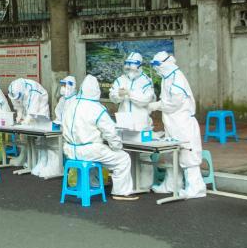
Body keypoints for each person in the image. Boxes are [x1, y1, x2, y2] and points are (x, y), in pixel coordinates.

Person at [62, 75, 138, 201]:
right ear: (96, 91)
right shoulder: (96, 108)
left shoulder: (70, 105)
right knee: (123, 158)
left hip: (69, 150)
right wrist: (117, 147)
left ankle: (94, 183)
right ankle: (121, 192)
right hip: (89, 151)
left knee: (96, 157)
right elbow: (110, 132)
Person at [147, 51, 206, 199]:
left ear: (166, 64)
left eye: (158, 65)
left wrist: (156, 105)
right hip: (172, 124)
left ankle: (196, 189)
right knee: (171, 154)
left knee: (188, 156)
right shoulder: (167, 78)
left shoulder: (177, 78)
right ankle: (171, 185)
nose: (156, 69)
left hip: (183, 124)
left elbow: (174, 103)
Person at [109, 52, 157, 189]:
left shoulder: (146, 81)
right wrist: (118, 94)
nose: (130, 70)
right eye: (128, 67)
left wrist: (130, 94)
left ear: (140, 66)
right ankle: (128, 185)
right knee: (125, 154)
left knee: (144, 155)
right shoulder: (120, 80)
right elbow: (112, 96)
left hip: (141, 122)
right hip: (124, 122)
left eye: (133, 67)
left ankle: (145, 185)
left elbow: (145, 99)